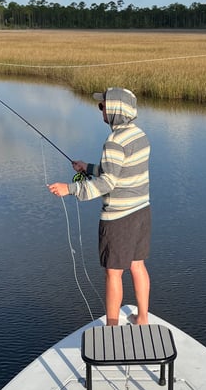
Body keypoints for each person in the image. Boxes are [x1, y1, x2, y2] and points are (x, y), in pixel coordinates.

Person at [48, 87, 151, 327]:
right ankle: (142, 318)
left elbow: (107, 183)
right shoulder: (140, 135)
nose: (100, 110)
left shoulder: (114, 142)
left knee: (113, 272)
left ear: (115, 110)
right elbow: (121, 171)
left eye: (102, 106)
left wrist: (69, 189)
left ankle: (112, 327)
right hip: (142, 212)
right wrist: (89, 167)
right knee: (138, 265)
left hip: (118, 218)